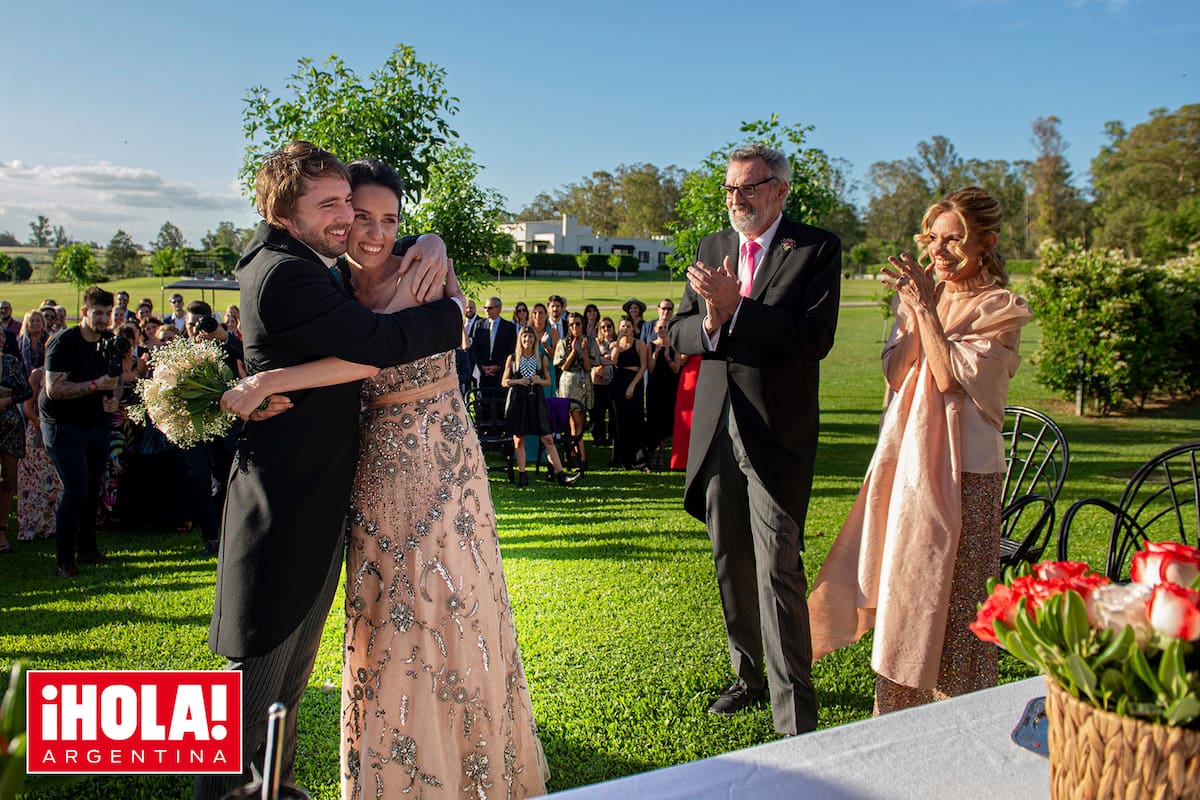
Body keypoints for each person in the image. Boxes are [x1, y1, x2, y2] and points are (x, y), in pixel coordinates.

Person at [222, 157, 548, 799]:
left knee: (447, 610)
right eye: (353, 213)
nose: (368, 229)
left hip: (437, 461)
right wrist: (258, 383)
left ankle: (459, 762)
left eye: (387, 219)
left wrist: (271, 380)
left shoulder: (422, 267)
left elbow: (374, 351)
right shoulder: (325, 279)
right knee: (379, 620)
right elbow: (362, 347)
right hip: (365, 468)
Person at [196, 141, 464, 800]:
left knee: (287, 676)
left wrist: (430, 240)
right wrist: (455, 313)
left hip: (315, 499)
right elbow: (377, 344)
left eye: (347, 199)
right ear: (285, 213)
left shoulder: (303, 257)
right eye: (330, 205)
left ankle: (276, 788)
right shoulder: (287, 272)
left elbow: (377, 251)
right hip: (285, 505)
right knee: (255, 678)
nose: (346, 216)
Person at [807, 187, 1031, 715]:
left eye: (954, 239)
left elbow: (950, 377)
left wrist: (927, 309)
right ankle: (897, 715)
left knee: (955, 607)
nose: (939, 250)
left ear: (986, 243)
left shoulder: (1000, 308)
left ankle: (957, 720)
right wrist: (914, 309)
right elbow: (895, 372)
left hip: (967, 477)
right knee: (905, 593)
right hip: (907, 470)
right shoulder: (922, 298)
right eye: (933, 238)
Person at [667, 143, 841, 736]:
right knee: (730, 559)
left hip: (774, 431)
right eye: (730, 188)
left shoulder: (815, 248)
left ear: (779, 190)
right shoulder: (712, 246)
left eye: (748, 187)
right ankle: (748, 676)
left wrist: (737, 309)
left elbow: (814, 338)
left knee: (777, 568)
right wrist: (711, 321)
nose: (736, 199)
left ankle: (793, 715)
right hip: (716, 427)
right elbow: (679, 333)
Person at [40, 286, 121, 577]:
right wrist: (94, 386)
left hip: (96, 423)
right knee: (76, 489)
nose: (103, 319)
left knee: (92, 488)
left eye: (107, 313)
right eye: (98, 313)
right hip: (62, 425)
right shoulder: (63, 342)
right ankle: (64, 559)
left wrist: (113, 399)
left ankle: (87, 550)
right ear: (84, 312)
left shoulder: (110, 341)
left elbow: (116, 381)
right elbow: (54, 389)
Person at [504, 324, 580, 488]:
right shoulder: (513, 358)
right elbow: (504, 381)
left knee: (548, 438)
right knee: (519, 439)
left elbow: (549, 381)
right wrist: (518, 381)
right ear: (520, 339)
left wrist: (539, 381)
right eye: (525, 336)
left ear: (535, 339)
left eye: (531, 336)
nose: (528, 339)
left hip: (536, 401)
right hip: (519, 401)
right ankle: (523, 475)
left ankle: (561, 476)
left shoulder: (541, 358)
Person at [18, 367, 62, 542]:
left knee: (57, 482)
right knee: (38, 482)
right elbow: (27, 407)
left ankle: (53, 526)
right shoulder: (37, 374)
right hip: (38, 434)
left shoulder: (66, 375)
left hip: (60, 435)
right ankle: (33, 526)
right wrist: (43, 428)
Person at [554, 312, 600, 472]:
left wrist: (584, 350)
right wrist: (573, 351)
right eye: (572, 324)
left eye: (578, 324)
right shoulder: (562, 343)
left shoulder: (590, 342)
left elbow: (588, 367)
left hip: (583, 383)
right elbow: (563, 366)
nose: (575, 327)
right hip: (568, 384)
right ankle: (578, 456)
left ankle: (577, 454)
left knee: (580, 420)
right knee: (573, 421)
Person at [609, 315, 648, 470]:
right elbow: (613, 360)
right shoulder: (615, 344)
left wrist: (632, 386)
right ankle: (620, 458)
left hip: (634, 381)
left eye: (628, 326)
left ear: (633, 328)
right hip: (618, 381)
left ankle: (638, 459)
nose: (625, 329)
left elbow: (643, 366)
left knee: (635, 419)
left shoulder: (639, 344)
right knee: (619, 420)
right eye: (623, 326)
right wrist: (618, 341)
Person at [645, 318, 682, 469]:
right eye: (660, 327)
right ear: (655, 329)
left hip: (669, 387)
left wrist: (667, 358)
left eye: (665, 327)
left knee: (666, 421)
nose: (663, 330)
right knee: (654, 420)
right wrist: (655, 355)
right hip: (654, 388)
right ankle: (653, 453)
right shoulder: (650, 346)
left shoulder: (675, 346)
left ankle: (661, 453)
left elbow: (676, 369)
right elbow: (650, 368)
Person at [470, 296, 516, 389]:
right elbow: (475, 349)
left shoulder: (509, 327)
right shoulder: (479, 325)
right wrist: (482, 366)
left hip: (502, 373)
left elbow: (510, 350)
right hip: (483, 374)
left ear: (499, 308)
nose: (487, 310)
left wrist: (498, 366)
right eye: (485, 308)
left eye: (490, 308)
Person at [590, 316, 616, 446]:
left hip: (613, 381)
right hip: (598, 381)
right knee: (598, 412)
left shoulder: (618, 342)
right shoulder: (595, 343)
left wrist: (606, 360)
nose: (606, 329)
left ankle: (612, 436)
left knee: (613, 411)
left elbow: (617, 361)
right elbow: (594, 360)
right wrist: (609, 360)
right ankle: (599, 437)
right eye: (603, 327)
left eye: (609, 326)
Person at [18, 309, 49, 373]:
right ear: (27, 325)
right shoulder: (20, 341)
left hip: (44, 373)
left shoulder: (49, 340)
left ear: (43, 323)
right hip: (23, 374)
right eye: (32, 321)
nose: (35, 323)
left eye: (38, 320)